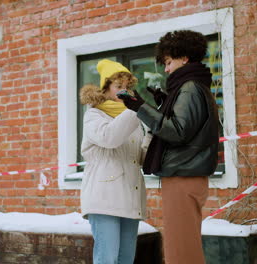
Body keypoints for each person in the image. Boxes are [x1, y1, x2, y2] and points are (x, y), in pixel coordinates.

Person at [118, 30, 219, 264]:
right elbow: (187, 126)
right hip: (186, 174)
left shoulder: (190, 87)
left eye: (168, 62)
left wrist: (140, 107)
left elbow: (177, 131)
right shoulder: (194, 87)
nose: (166, 69)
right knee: (185, 245)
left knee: (180, 250)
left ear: (183, 57)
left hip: (182, 176)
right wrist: (164, 103)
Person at [79, 59, 147, 264]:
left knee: (126, 259)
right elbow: (110, 138)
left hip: (131, 197)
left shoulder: (133, 119)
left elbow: (141, 158)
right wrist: (134, 111)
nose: (124, 92)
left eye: (127, 87)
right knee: (107, 259)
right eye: (119, 87)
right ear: (106, 88)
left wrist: (152, 127)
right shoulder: (94, 115)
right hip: (104, 199)